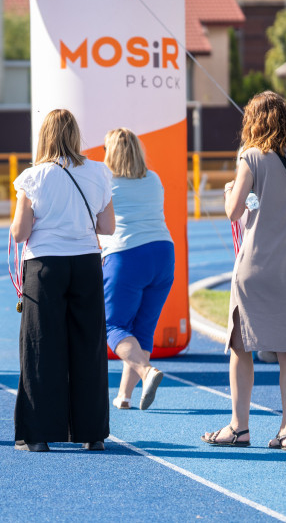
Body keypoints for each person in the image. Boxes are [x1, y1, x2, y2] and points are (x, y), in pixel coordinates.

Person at [202, 91, 286, 451]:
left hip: (257, 262)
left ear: (253, 121)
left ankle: (239, 427)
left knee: (241, 346)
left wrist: (229, 193)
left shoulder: (252, 156)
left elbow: (233, 210)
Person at [10, 109, 115, 452]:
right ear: (74, 134)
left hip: (44, 266)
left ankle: (38, 434)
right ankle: (92, 434)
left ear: (45, 136)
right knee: (89, 348)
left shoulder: (33, 177)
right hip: (86, 263)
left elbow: (20, 232)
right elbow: (107, 227)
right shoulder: (100, 171)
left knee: (41, 348)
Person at [100, 128, 175, 411]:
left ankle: (147, 372)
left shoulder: (105, 182)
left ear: (112, 153)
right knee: (142, 329)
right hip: (163, 253)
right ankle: (125, 396)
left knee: (114, 326)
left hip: (126, 255)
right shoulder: (153, 179)